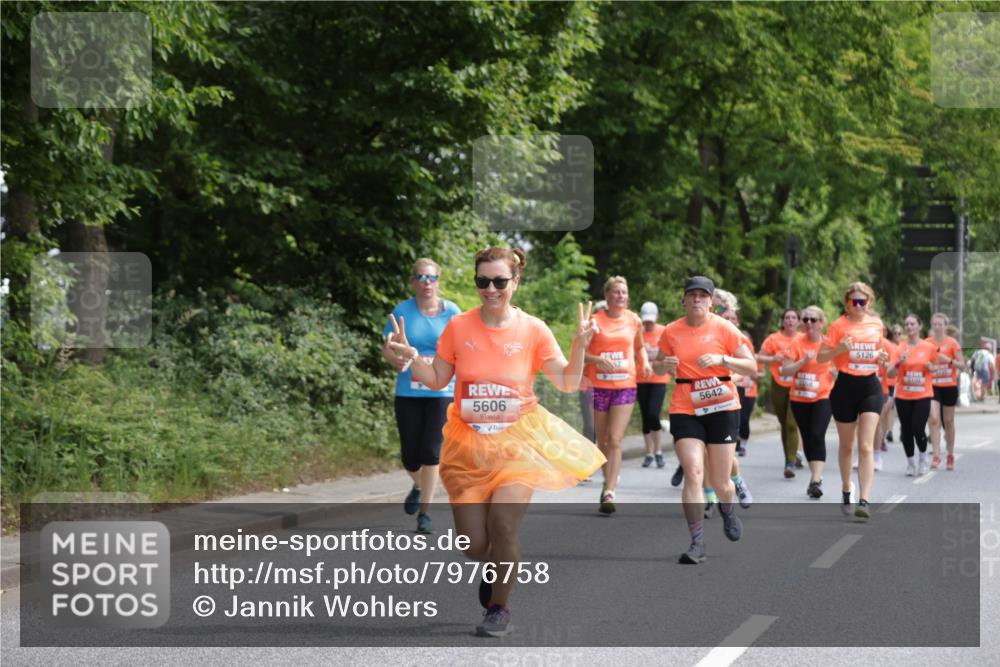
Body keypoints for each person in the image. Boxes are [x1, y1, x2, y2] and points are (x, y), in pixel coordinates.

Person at [387, 246, 605, 637]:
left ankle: (499, 607)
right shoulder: (459, 326)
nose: (491, 289)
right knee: (473, 545)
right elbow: (437, 379)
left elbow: (569, 382)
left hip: (518, 441)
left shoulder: (533, 329)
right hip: (466, 445)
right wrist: (408, 359)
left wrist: (580, 344)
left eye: (500, 281)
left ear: (515, 282)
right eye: (483, 281)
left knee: (504, 527)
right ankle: (495, 566)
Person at [651, 276, 757, 564]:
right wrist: (665, 364)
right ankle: (697, 543)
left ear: (711, 301)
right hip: (686, 406)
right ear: (684, 300)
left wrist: (722, 360)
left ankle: (727, 509)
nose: (697, 299)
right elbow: (656, 363)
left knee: (722, 482)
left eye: (703, 295)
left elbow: (751, 364)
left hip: (722, 407)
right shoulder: (672, 331)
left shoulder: (724, 328)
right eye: (692, 295)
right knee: (694, 472)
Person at [382, 258, 462, 533]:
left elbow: (463, 347)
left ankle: (425, 513)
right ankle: (418, 485)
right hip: (408, 391)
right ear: (413, 282)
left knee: (430, 450)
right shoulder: (402, 311)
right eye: (421, 277)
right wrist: (395, 359)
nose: (427, 283)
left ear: (439, 280)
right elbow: (388, 348)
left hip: (442, 391)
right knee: (409, 457)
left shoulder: (452, 312)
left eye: (432, 277)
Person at [817, 282, 890, 520]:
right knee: (847, 446)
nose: (858, 305)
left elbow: (880, 355)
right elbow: (821, 357)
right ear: (847, 303)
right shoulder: (838, 325)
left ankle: (864, 500)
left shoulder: (876, 324)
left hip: (870, 386)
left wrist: (882, 358)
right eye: (853, 301)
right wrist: (838, 349)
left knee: (866, 445)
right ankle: (847, 487)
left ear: (870, 302)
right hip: (845, 387)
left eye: (863, 301)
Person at [585, 277, 649, 513]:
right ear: (607, 296)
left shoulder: (634, 320)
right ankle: (608, 479)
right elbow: (579, 353)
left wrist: (646, 363)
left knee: (614, 439)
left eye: (624, 292)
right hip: (599, 386)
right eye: (617, 292)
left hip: (625, 385)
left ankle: (610, 491)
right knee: (602, 442)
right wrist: (597, 359)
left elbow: (640, 347)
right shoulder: (594, 321)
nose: (621, 296)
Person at [781, 306, 835, 499]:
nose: (809, 323)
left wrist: (836, 375)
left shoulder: (829, 344)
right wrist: (803, 360)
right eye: (805, 320)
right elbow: (784, 371)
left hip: (823, 396)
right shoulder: (796, 343)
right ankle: (814, 478)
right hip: (799, 398)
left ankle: (816, 480)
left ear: (821, 323)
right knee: (808, 437)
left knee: (816, 434)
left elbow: (839, 367)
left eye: (813, 320)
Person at [888, 314, 937, 476]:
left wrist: (932, 368)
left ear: (919, 326)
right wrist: (899, 362)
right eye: (906, 324)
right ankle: (910, 463)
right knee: (906, 430)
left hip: (922, 394)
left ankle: (923, 458)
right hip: (903, 395)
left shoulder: (929, 347)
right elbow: (890, 373)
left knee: (917, 427)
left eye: (912, 324)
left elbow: (935, 367)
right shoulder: (900, 348)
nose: (909, 327)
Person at [758, 308, 804, 478]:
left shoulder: (802, 339)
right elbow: (759, 357)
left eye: (794, 317)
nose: (790, 320)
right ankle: (789, 458)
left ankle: (790, 463)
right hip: (778, 384)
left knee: (792, 424)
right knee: (784, 423)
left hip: (797, 385)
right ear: (783, 321)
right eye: (787, 317)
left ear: (798, 321)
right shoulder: (773, 339)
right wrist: (772, 359)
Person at [926, 313, 966, 471]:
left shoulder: (952, 343)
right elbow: (922, 360)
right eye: (934, 324)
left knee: (948, 421)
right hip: (933, 385)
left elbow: (962, 365)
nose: (937, 327)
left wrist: (948, 360)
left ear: (945, 326)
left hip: (949, 385)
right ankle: (936, 455)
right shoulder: (927, 343)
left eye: (940, 324)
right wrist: (929, 366)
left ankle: (950, 454)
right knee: (934, 419)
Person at [637, 301, 670, 468]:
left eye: (651, 320)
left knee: (653, 414)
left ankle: (658, 450)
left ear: (656, 317)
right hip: (641, 378)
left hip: (659, 379)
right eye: (646, 320)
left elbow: (670, 352)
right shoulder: (638, 332)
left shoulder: (664, 331)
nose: (648, 323)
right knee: (645, 417)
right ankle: (649, 452)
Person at [873, 324, 901, 471]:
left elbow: (894, 367)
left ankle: (879, 446)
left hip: (888, 385)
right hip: (867, 385)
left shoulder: (888, 345)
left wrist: (884, 365)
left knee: (880, 416)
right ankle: (863, 453)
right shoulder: (863, 341)